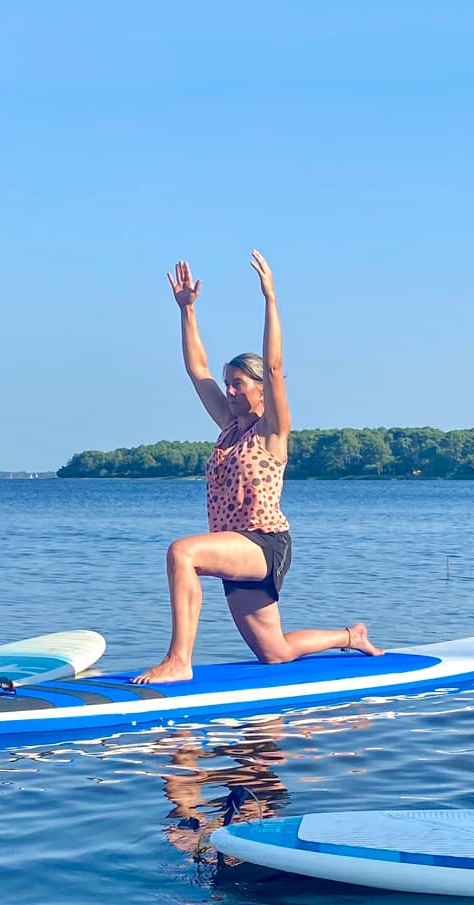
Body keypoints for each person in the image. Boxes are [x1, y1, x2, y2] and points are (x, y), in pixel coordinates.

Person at [133, 252, 381, 684]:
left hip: (264, 545)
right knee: (276, 652)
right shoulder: (229, 427)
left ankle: (179, 661)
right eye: (228, 384)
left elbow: (275, 365)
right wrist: (187, 310)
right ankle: (350, 635)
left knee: (183, 552)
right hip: (236, 550)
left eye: (239, 384)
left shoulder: (272, 432)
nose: (229, 391)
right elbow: (196, 371)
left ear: (263, 388)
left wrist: (270, 297)